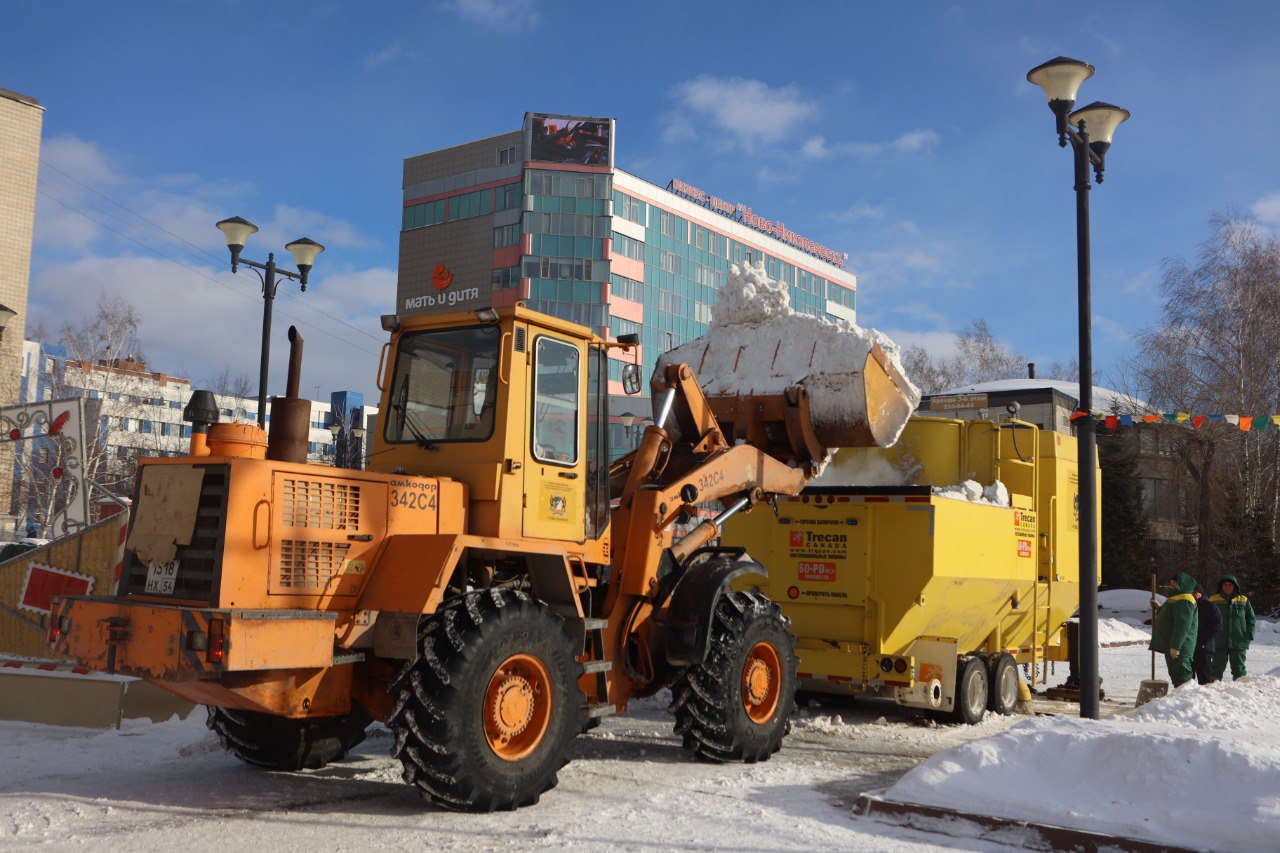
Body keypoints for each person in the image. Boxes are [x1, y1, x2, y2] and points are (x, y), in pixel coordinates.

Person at [1149, 572, 1199, 687]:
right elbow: (1170, 617)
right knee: (1178, 677)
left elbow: (1182, 625)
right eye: (1171, 583)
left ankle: (1186, 701)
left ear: (1182, 584)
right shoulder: (1176, 598)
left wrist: (1176, 646)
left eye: (1175, 583)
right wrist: (1158, 608)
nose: (1172, 586)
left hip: (1180, 648)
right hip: (1172, 645)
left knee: (1183, 678)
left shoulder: (1185, 599)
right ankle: (1181, 701)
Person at [1209, 575, 1256, 680]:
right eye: (1225, 584)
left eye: (1230, 585)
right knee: (1216, 669)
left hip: (1239, 641)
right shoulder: (1213, 600)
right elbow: (1206, 620)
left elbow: (1251, 619)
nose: (1227, 587)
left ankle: (1239, 691)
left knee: (1239, 670)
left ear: (1235, 586)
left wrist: (1249, 635)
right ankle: (1211, 692)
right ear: (1221, 586)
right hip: (1218, 641)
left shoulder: (1243, 600)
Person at [1193, 587, 1222, 685]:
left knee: (1205, 680)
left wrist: (1204, 641)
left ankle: (1205, 699)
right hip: (1189, 647)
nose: (1193, 594)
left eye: (1195, 592)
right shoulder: (1187, 605)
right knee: (1187, 682)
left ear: (1201, 593)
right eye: (1191, 592)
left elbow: (1217, 625)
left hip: (1204, 649)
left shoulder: (1210, 606)